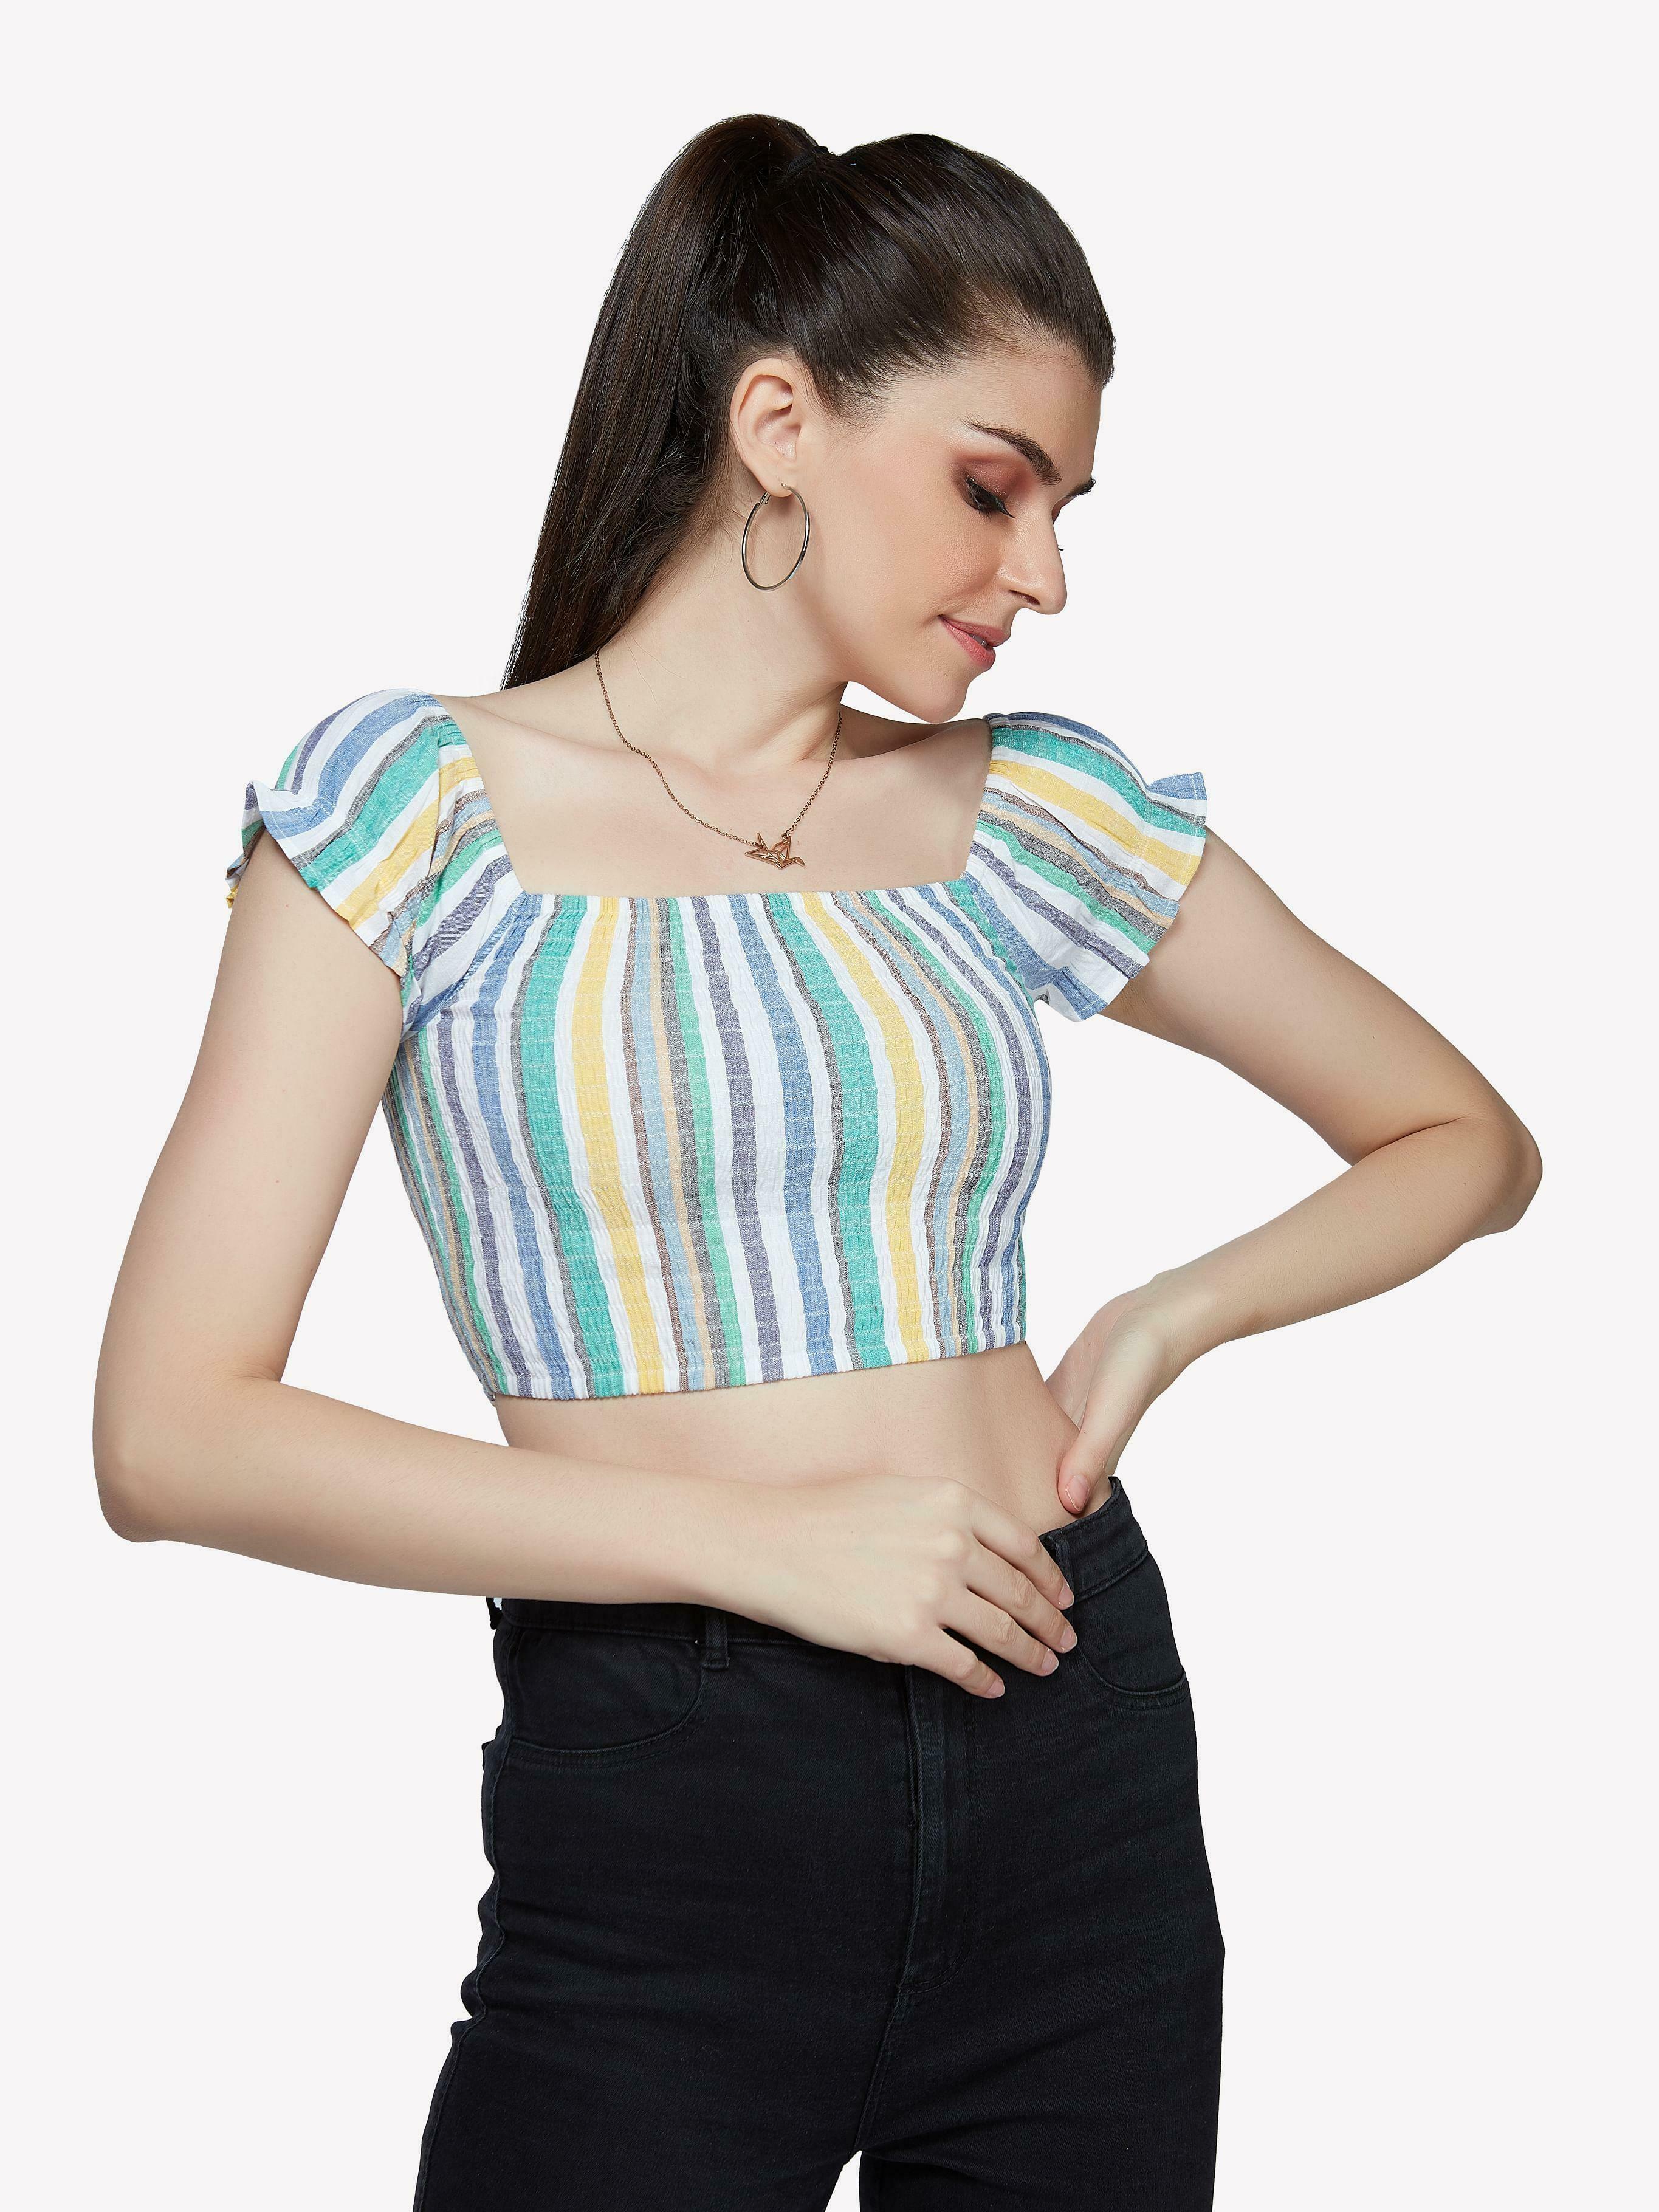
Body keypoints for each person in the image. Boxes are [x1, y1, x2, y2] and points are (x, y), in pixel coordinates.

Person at [92, 113, 1542, 2211]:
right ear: (777, 423)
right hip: (667, 1806)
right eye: (990, 485)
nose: (1042, 574)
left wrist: (1165, 1319)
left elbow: (1462, 1139)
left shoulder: (1026, 813)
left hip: (1074, 1753)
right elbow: (172, 1436)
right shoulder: (414, 807)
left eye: (1064, 509)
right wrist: (756, 1552)